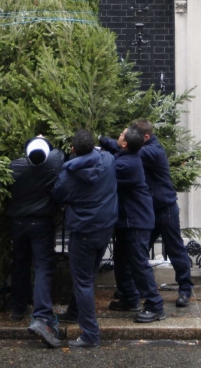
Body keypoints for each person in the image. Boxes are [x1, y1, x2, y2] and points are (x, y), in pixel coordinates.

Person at [52, 129, 118, 349]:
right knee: (88, 277)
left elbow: (58, 196)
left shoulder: (68, 174)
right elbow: (111, 150)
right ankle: (74, 311)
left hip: (83, 231)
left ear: (73, 150)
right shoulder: (108, 160)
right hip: (105, 227)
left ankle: (90, 333)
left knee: (82, 281)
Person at [100, 127, 166, 323]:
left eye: (121, 135)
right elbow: (113, 145)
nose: (118, 136)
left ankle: (155, 306)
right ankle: (130, 298)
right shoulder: (127, 153)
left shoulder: (126, 164)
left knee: (138, 264)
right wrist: (99, 138)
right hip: (128, 220)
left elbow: (103, 172)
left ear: (126, 143)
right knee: (121, 260)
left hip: (136, 220)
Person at [8, 135, 64, 348]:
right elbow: (58, 153)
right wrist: (45, 140)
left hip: (19, 223)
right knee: (43, 267)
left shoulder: (15, 167)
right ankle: (41, 315)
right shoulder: (53, 165)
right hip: (41, 223)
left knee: (20, 263)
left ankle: (18, 306)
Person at [132, 118, 193, 308]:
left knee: (175, 249)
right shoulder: (149, 148)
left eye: (134, 135)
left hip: (165, 209)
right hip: (152, 209)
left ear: (146, 136)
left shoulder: (151, 151)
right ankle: (136, 288)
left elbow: (131, 153)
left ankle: (185, 289)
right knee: (139, 250)